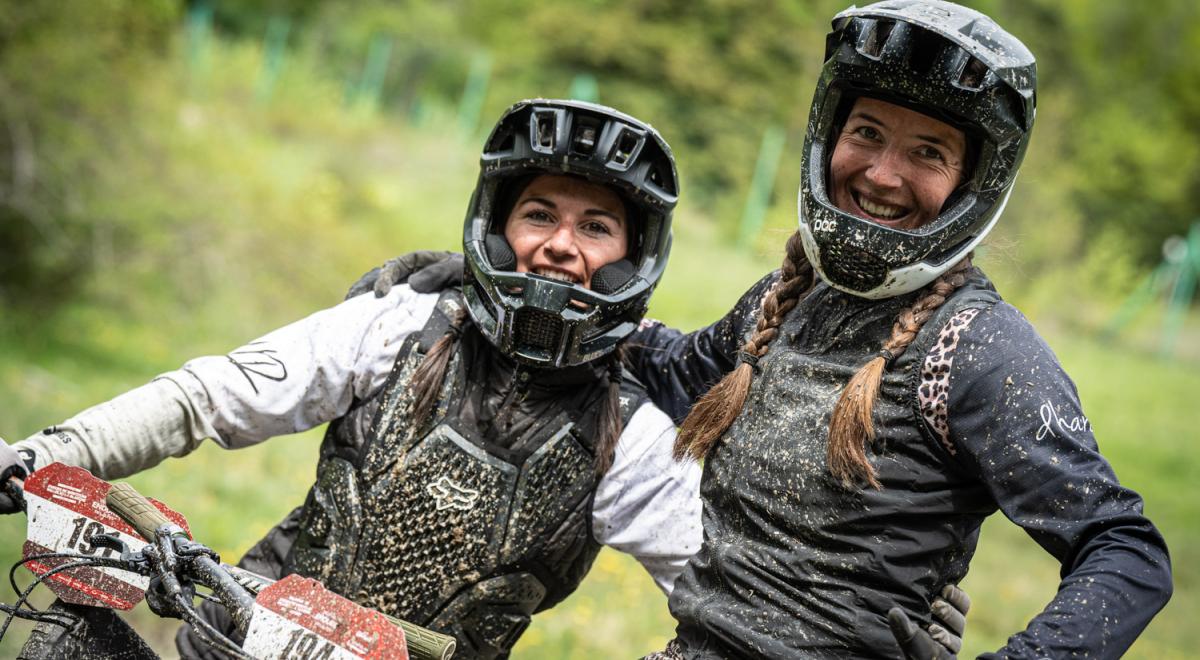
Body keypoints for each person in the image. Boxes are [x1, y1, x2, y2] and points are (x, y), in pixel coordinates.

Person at [1, 99, 968, 659]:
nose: (559, 245)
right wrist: (48, 452)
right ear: (495, 228)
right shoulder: (401, 323)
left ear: (633, 259)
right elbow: (207, 397)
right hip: (233, 633)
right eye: (538, 213)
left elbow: (728, 586)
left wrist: (864, 617)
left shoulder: (631, 437)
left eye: (596, 227)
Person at [358, 2, 1173, 658]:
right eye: (867, 133)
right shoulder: (790, 301)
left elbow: (1125, 551)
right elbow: (671, 368)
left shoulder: (978, 350)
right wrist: (505, 283)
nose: (883, 172)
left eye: (928, 152)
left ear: (972, 183)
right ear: (829, 135)